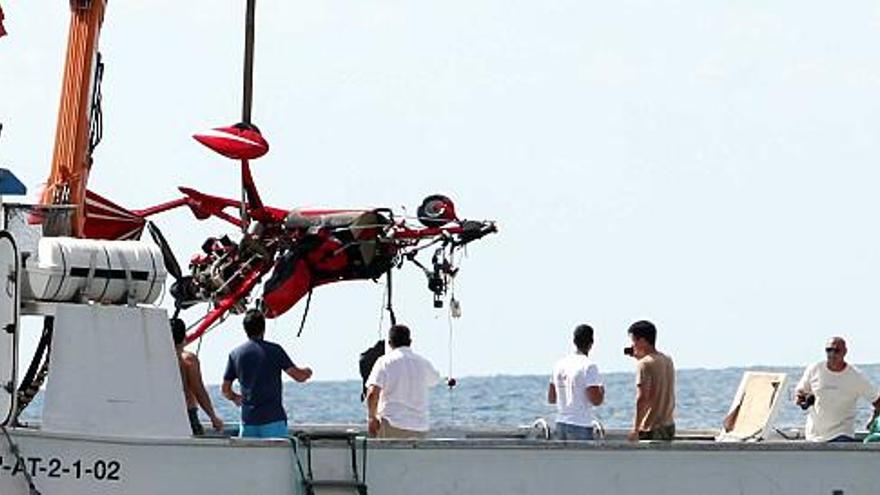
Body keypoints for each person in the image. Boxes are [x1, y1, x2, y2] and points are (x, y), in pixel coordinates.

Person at [222, 309, 313, 438]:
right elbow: (298, 376)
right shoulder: (275, 350)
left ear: (245, 329)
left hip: (248, 422)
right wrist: (308, 372)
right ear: (263, 328)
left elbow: (225, 389)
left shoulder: (235, 354)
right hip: (273, 420)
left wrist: (235, 397)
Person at [794, 337, 880, 442]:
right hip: (814, 436)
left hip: (842, 434)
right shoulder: (815, 369)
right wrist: (803, 399)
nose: (832, 354)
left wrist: (873, 419)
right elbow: (800, 393)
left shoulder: (856, 376)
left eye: (836, 350)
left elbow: (876, 400)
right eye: (829, 350)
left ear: (845, 352)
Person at [365, 324, 441, 438]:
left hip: (392, 424)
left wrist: (372, 418)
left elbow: (372, 393)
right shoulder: (423, 363)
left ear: (390, 343)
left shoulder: (384, 362)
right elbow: (435, 380)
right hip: (419, 428)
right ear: (410, 342)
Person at [547, 324, 604, 440]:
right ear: (591, 343)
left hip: (561, 423)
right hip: (580, 424)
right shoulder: (588, 366)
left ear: (574, 341)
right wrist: (601, 390)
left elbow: (552, 398)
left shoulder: (559, 364)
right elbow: (596, 400)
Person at [171, 318, 224, 436]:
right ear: (184, 336)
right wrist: (213, 417)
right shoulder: (188, 359)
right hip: (188, 416)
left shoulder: (160, 359)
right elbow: (198, 390)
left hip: (168, 416)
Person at [626, 320, 675, 441]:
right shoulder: (667, 360)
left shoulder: (644, 364)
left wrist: (636, 429)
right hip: (668, 424)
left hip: (651, 427)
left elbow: (642, 398)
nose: (632, 345)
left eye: (633, 341)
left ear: (642, 341)